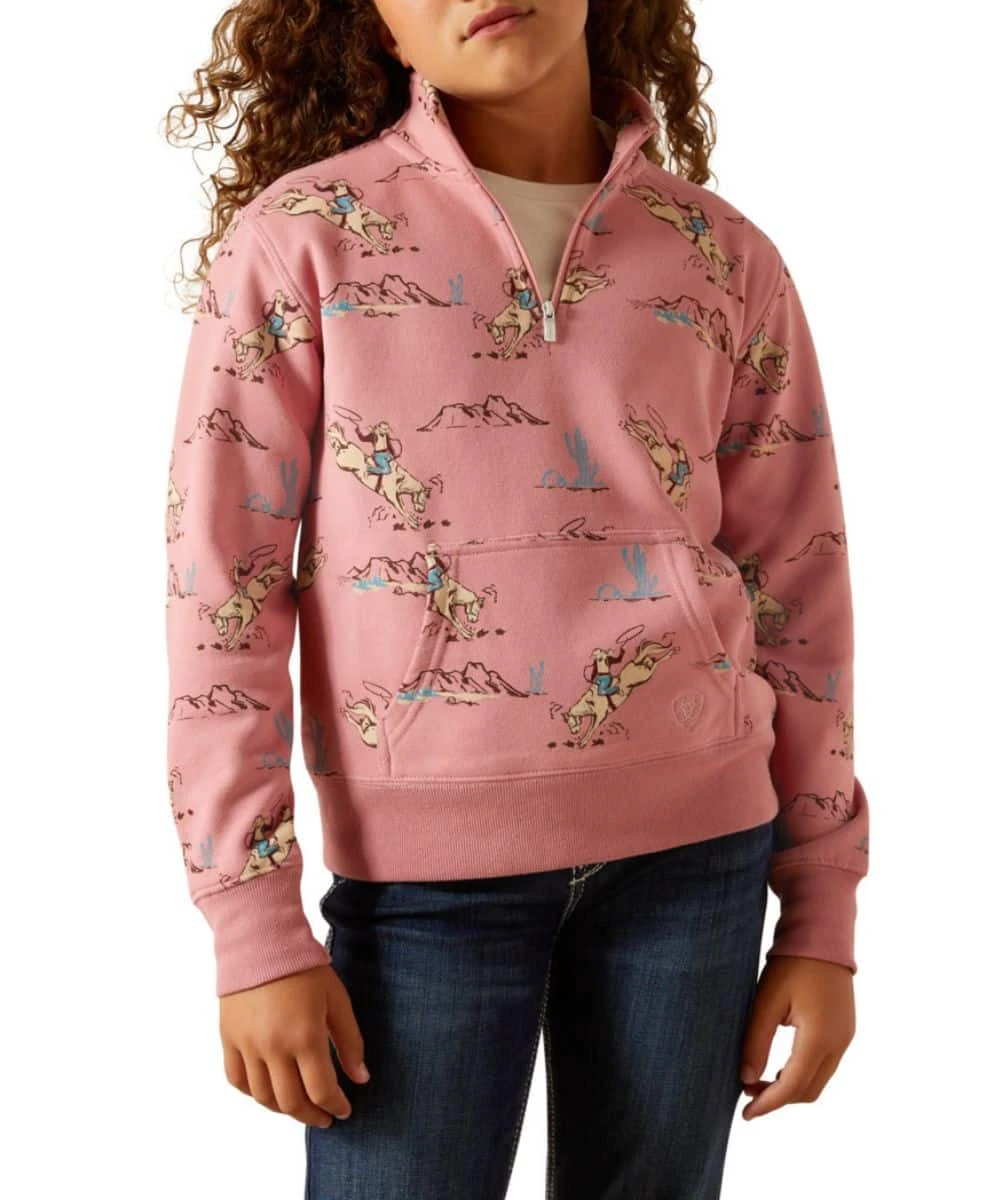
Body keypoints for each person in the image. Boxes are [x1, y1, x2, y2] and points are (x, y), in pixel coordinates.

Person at [162, 2, 870, 1196]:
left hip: (698, 861)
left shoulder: (719, 254)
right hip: (424, 886)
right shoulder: (301, 242)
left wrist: (821, 909)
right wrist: (251, 921)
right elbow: (220, 594)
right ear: (372, 27)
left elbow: (798, 584)